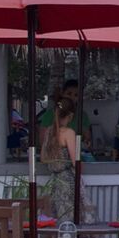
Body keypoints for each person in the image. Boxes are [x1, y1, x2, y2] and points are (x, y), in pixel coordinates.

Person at [39, 92, 81, 223]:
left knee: (53, 215)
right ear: (71, 115)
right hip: (67, 180)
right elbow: (75, 161)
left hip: (53, 180)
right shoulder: (69, 133)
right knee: (68, 216)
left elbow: (43, 157)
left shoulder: (49, 131)